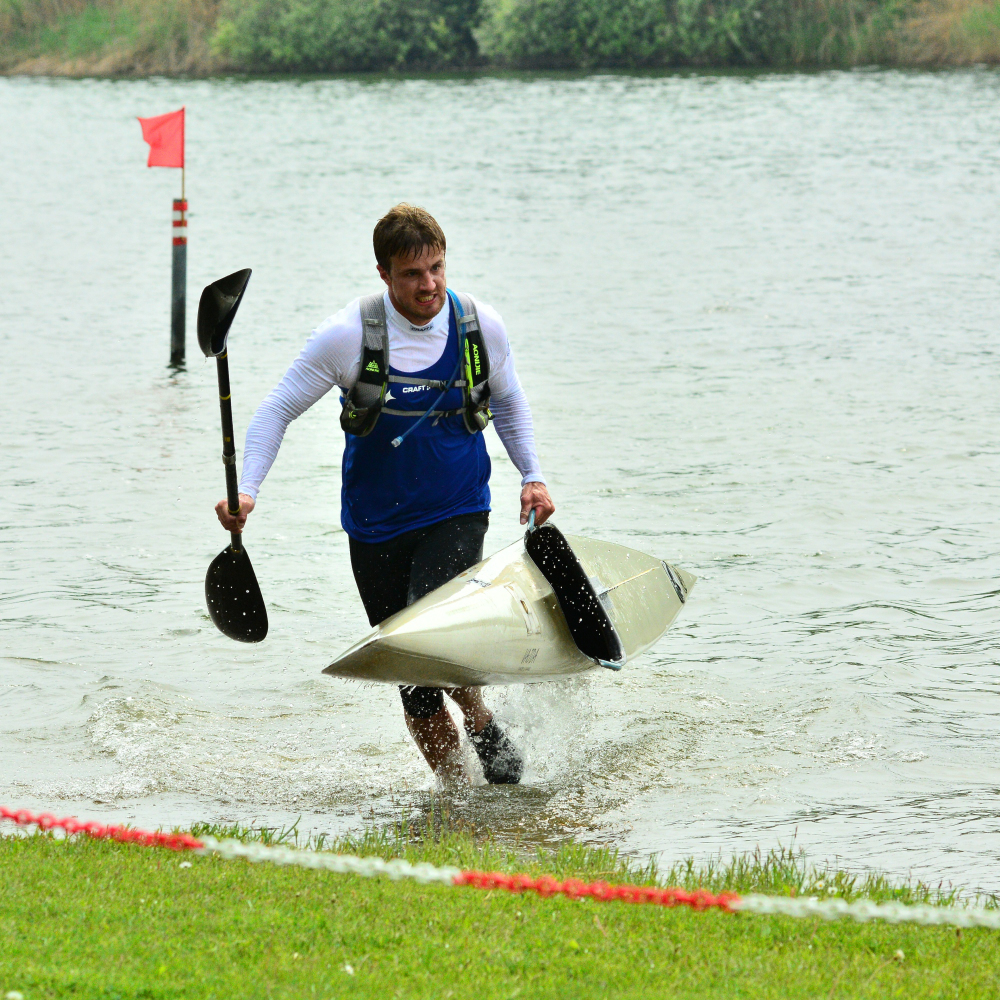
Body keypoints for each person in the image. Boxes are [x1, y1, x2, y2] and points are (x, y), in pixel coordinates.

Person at [215, 204, 555, 784]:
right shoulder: (348, 336)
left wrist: (533, 476)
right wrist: (246, 491)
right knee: (412, 679)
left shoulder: (480, 327)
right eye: (412, 274)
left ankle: (476, 721)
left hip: (457, 510)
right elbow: (275, 411)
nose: (429, 285)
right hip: (374, 526)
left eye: (437, 268)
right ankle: (456, 795)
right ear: (384, 274)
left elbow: (509, 401)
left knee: (428, 638)